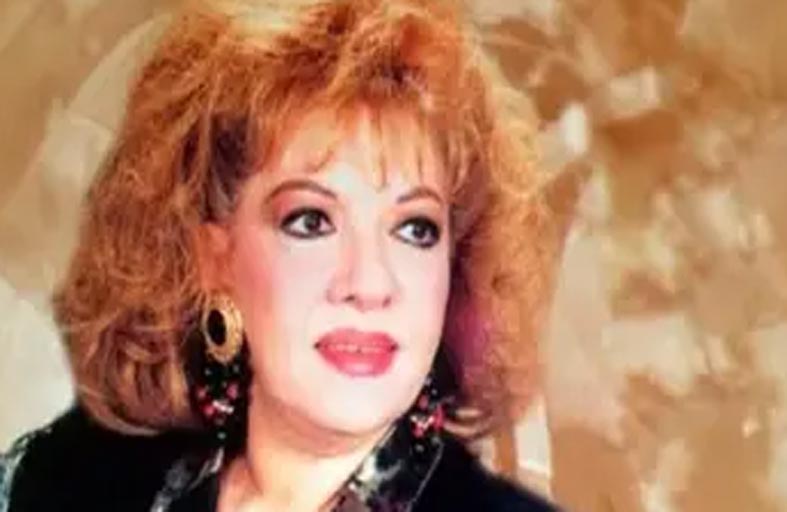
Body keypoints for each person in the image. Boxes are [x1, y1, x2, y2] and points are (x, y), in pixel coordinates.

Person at [0, 0, 562, 510]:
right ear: (213, 258)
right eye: (311, 221)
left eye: (415, 229)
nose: (370, 284)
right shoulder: (65, 484)